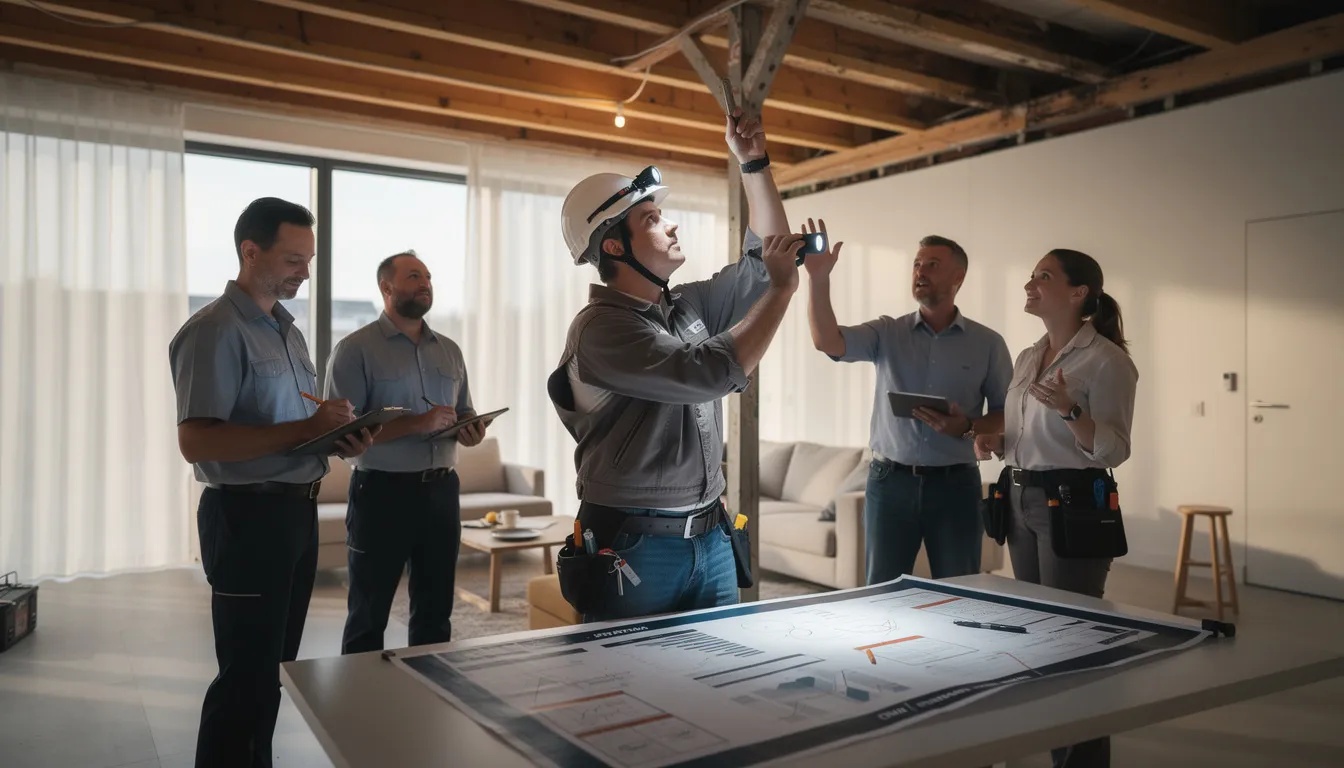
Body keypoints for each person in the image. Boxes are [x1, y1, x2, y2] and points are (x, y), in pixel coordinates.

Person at [547, 109, 801, 622]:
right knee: (627, 691)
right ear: (615, 246)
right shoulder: (601, 329)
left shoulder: (685, 308)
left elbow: (763, 260)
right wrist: (782, 289)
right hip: (636, 550)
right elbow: (708, 371)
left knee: (715, 685)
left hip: (710, 538)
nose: (671, 221)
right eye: (652, 219)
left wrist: (754, 164)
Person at [169, 197, 377, 768]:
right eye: (292, 259)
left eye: (308, 260)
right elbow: (198, 441)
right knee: (244, 679)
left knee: (274, 672)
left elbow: (286, 431)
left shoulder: (289, 333)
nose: (304, 273)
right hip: (246, 519)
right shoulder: (213, 330)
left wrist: (338, 437)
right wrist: (308, 427)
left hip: (294, 516)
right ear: (249, 251)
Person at [976, 248, 1138, 768]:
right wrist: (995, 443)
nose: (1030, 283)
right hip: (1021, 497)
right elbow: (1025, 435)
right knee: (1041, 638)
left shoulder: (1108, 361)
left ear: (1078, 293)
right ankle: (1056, 751)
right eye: (1030, 275)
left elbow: (1113, 449)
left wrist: (1070, 409)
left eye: (1043, 276)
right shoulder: (1029, 356)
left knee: (1073, 643)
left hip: (1072, 505)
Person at [806, 232, 1012, 584]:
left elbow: (1007, 412)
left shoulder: (988, 344)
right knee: (883, 594)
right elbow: (827, 340)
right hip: (889, 485)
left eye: (933, 264)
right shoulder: (887, 332)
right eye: (917, 264)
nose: (921, 271)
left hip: (956, 486)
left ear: (958, 277)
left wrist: (966, 426)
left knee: (959, 592)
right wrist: (818, 278)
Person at [325, 250, 487, 654]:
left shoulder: (450, 350)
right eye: (414, 276)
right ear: (387, 287)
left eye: (428, 277)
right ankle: (358, 707)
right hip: (381, 495)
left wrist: (471, 428)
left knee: (435, 611)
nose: (425, 283)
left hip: (442, 491)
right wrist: (416, 423)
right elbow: (339, 434)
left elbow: (463, 409)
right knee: (368, 613)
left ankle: (430, 697)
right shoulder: (354, 349)